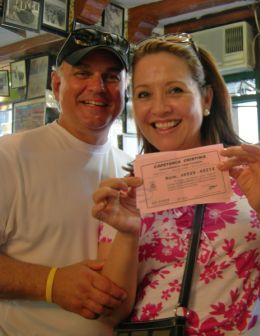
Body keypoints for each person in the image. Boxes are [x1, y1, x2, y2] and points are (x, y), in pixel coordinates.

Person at [91, 34, 260, 334]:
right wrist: (127, 231)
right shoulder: (127, 196)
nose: (159, 109)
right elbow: (112, 314)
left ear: (207, 98)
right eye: (144, 95)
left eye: (175, 90)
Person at [0, 27, 132, 335]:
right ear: (57, 83)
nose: (97, 87)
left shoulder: (131, 169)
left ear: (125, 88)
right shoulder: (10, 155)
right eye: (83, 73)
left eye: (111, 77)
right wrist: (51, 283)